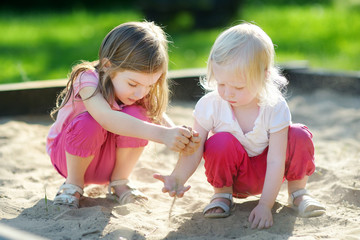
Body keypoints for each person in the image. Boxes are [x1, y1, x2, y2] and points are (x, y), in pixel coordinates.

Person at [154, 22, 326, 229]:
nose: (227, 93)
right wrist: (177, 177)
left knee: (298, 134)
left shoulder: (275, 106)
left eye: (238, 86)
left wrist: (265, 205)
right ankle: (222, 195)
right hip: (234, 177)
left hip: (269, 174)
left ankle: (298, 193)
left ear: (264, 76)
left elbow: (276, 160)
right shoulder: (211, 105)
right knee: (219, 141)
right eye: (221, 83)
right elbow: (194, 149)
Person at [46, 21, 200, 209]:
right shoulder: (87, 80)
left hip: (110, 165)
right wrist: (162, 135)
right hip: (68, 158)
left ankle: (120, 181)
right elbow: (107, 118)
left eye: (149, 85)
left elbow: (158, 118)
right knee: (90, 122)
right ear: (107, 65)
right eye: (133, 84)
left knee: (138, 112)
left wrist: (178, 135)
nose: (140, 93)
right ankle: (73, 185)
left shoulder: (139, 90)